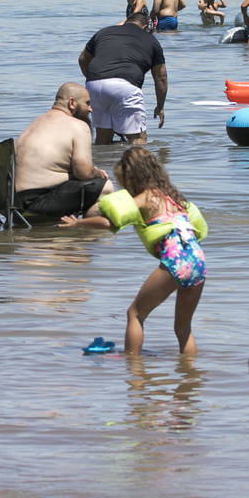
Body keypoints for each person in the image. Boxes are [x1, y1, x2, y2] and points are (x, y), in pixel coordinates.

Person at [60, 146, 205, 356]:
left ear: (133, 177)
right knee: (183, 329)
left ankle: (134, 370)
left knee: (135, 314)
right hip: (198, 261)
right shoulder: (174, 198)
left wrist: (78, 224)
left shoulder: (146, 198)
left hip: (176, 261)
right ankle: (190, 377)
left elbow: (110, 222)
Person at [13, 82, 114, 220]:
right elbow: (83, 172)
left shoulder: (36, 122)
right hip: (37, 203)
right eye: (87, 103)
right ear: (72, 103)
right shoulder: (78, 126)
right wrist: (97, 173)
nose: (90, 109)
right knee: (105, 187)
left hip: (12, 202)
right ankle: (87, 233)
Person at [78, 10, 167, 144]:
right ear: (145, 27)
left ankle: (102, 163)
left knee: (103, 137)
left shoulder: (104, 32)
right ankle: (138, 165)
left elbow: (83, 59)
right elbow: (161, 78)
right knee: (137, 139)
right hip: (125, 86)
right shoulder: (151, 40)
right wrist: (160, 106)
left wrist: (95, 78)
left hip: (94, 85)